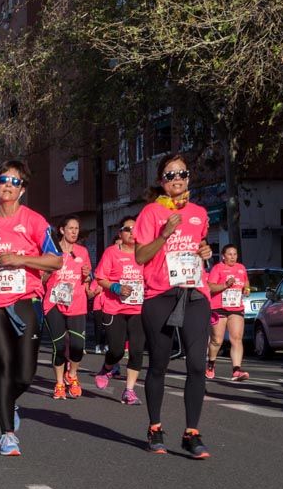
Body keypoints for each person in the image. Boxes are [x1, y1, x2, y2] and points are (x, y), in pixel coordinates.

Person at [0, 161, 62, 456]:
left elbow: (55, 260)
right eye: (3, 179)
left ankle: (10, 400)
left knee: (25, 373)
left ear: (22, 189)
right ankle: (7, 434)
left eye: (14, 181)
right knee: (3, 366)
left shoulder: (34, 221)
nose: (7, 184)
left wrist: (21, 260)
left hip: (25, 299)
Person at [133, 153, 214, 458]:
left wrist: (206, 250)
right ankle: (155, 427)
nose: (177, 178)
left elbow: (200, 246)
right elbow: (141, 257)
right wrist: (165, 233)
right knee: (158, 364)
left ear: (188, 177)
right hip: (159, 295)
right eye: (170, 175)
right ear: (161, 181)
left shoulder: (199, 213)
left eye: (182, 173)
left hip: (194, 293)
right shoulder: (150, 214)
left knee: (196, 364)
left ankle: (191, 433)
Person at [94, 217, 146, 404]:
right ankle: (107, 367)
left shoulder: (145, 253)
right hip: (114, 308)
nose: (132, 233)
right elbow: (100, 278)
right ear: (120, 233)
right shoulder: (111, 253)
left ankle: (129, 390)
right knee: (116, 350)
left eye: (135, 229)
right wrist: (115, 287)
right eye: (127, 229)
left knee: (137, 350)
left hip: (138, 309)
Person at [44, 216, 92, 399]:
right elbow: (42, 280)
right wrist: (48, 271)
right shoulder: (51, 252)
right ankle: (58, 384)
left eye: (76, 228)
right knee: (58, 346)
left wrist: (87, 275)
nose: (74, 232)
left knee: (77, 346)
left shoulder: (82, 251)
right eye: (70, 228)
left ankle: (71, 375)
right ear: (62, 230)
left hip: (76, 303)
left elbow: (87, 278)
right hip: (54, 303)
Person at [206, 244, 250, 382]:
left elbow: (246, 281)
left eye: (235, 254)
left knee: (236, 338)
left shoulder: (241, 268)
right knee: (217, 340)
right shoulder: (217, 268)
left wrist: (246, 288)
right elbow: (210, 287)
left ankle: (236, 370)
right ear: (223, 256)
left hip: (236, 307)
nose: (233, 257)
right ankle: (211, 363)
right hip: (219, 307)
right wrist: (225, 285)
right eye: (229, 254)